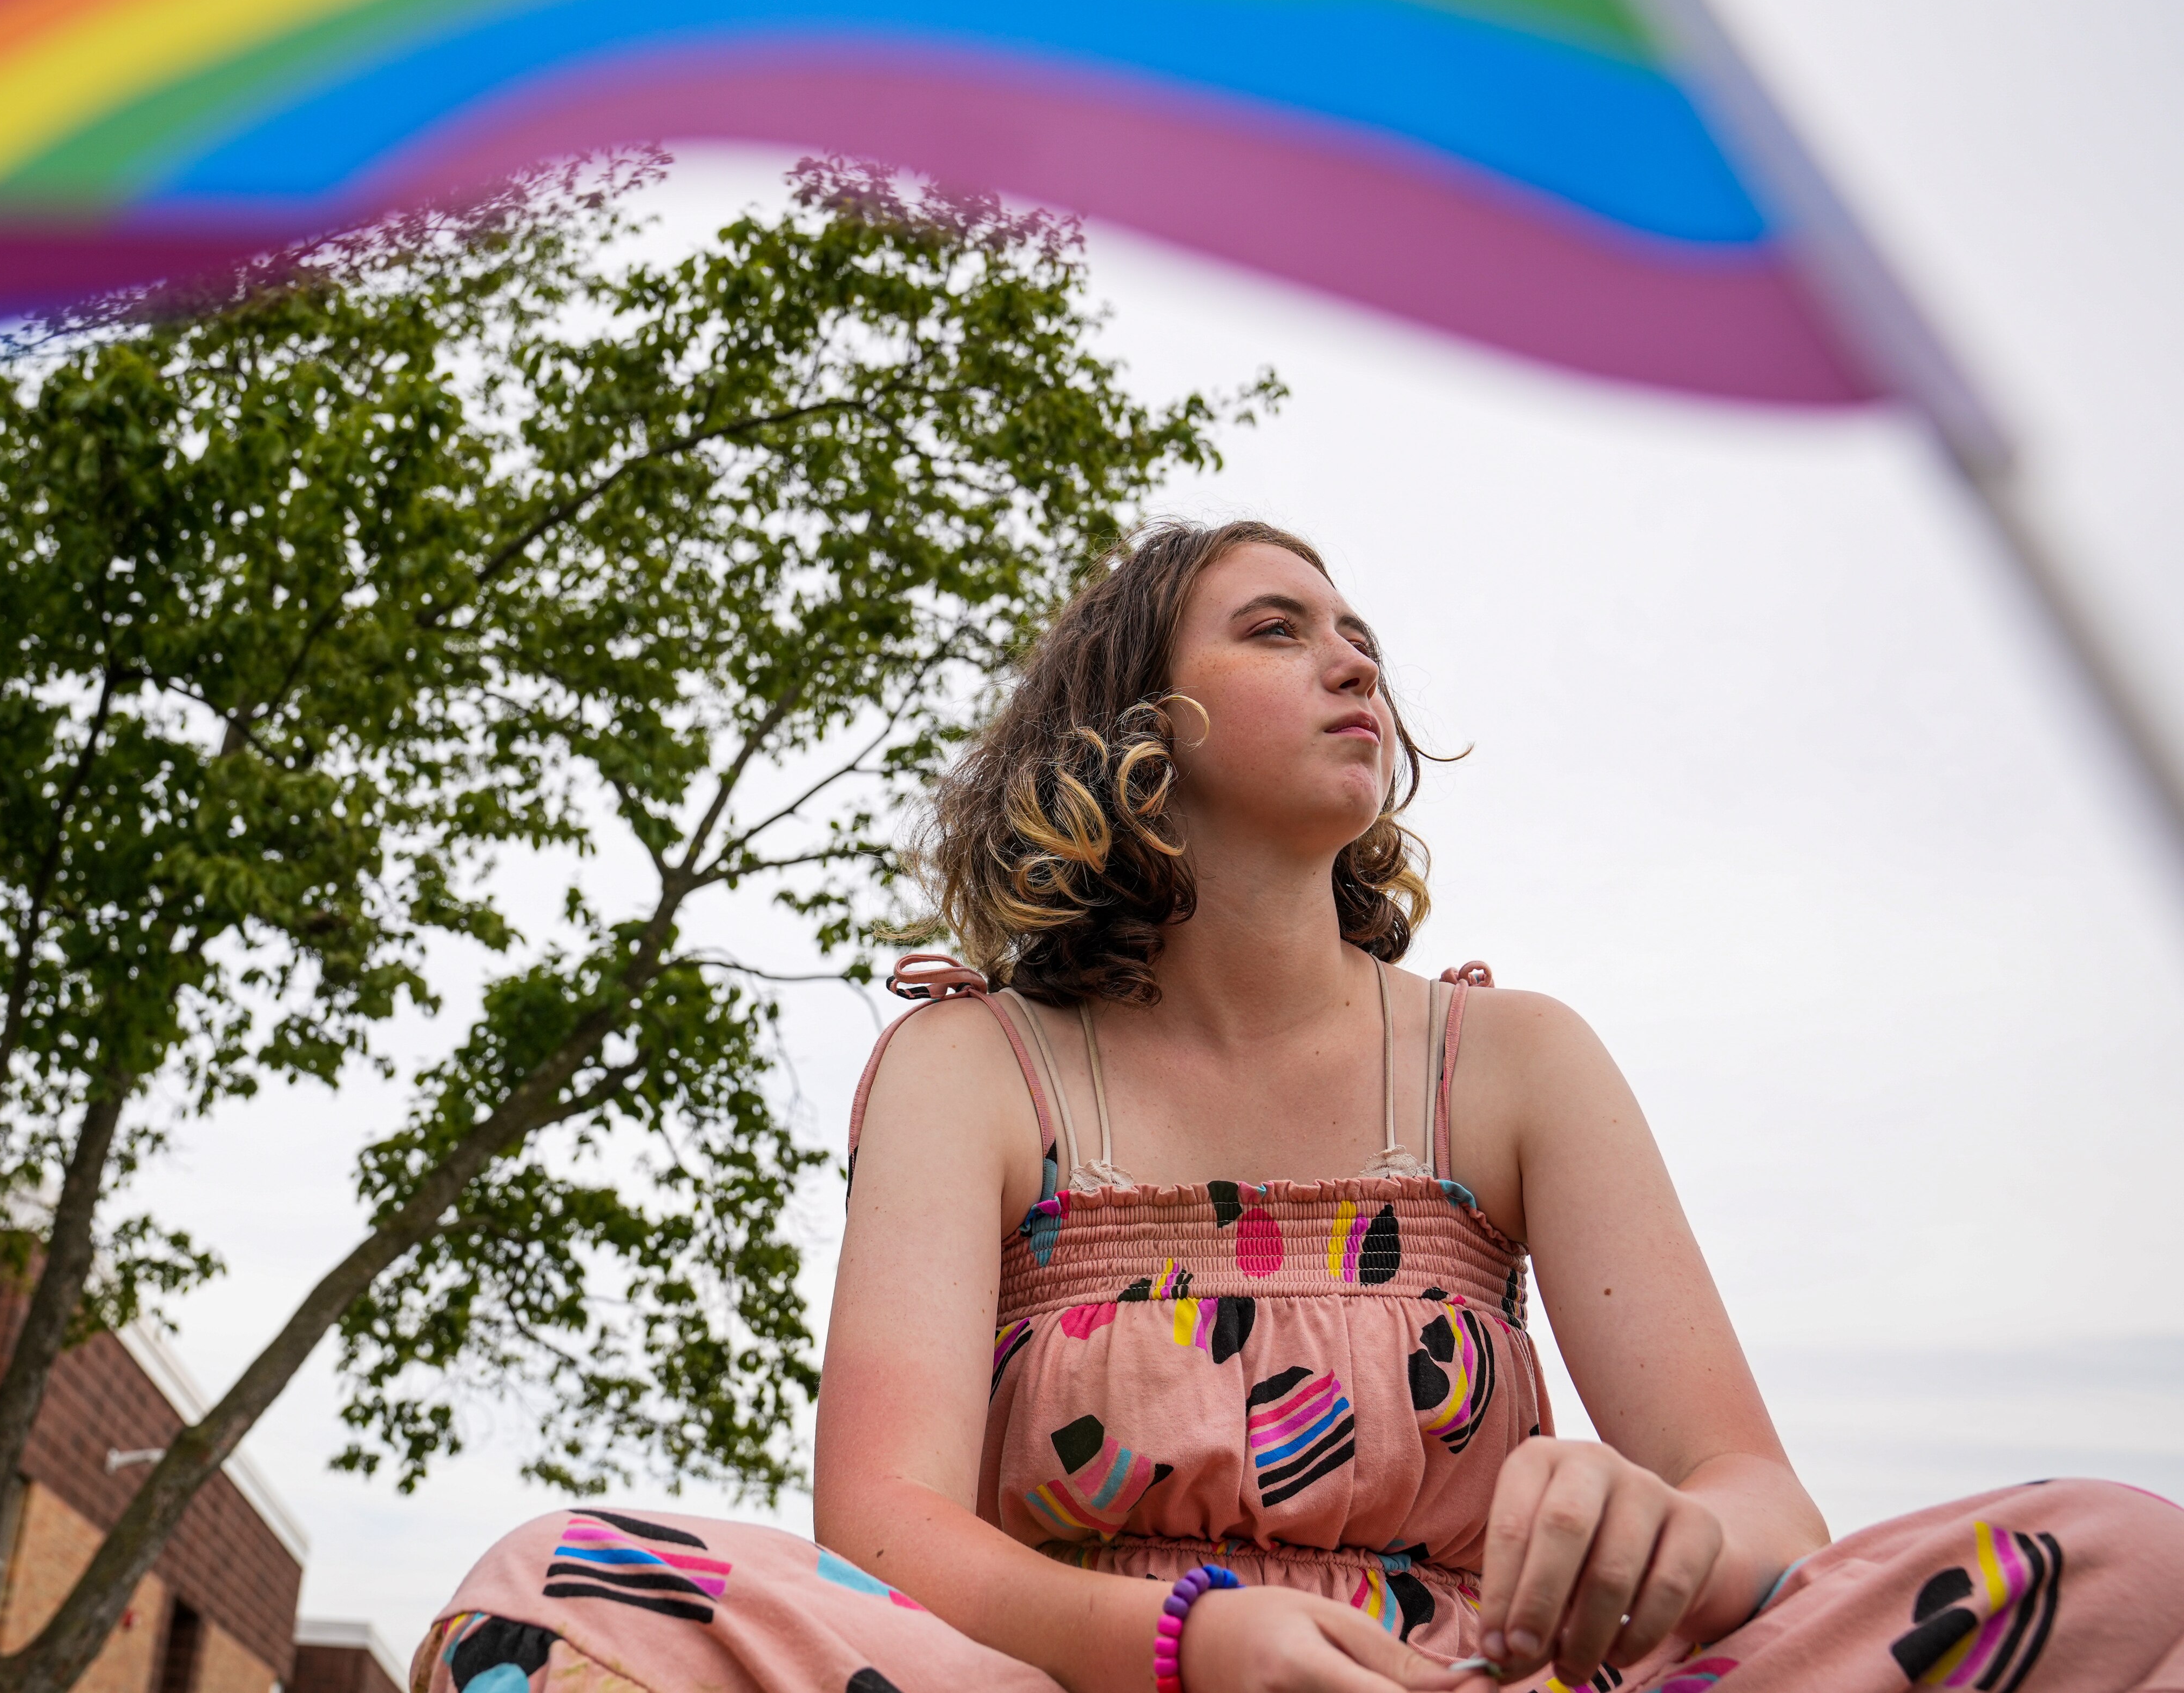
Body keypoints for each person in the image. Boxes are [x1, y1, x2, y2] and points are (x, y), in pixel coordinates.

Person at [415, 521, 2184, 1693]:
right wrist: (1198, 1643)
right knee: (558, 1578)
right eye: (1281, 629)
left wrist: (1676, 1536)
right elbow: (882, 1538)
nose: (1357, 665)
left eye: (1365, 638)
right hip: (1090, 1679)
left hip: (1490, 1683)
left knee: (2117, 1560)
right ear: (1134, 729)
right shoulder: (976, 1069)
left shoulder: (1514, 1060)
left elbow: (1765, 1505)